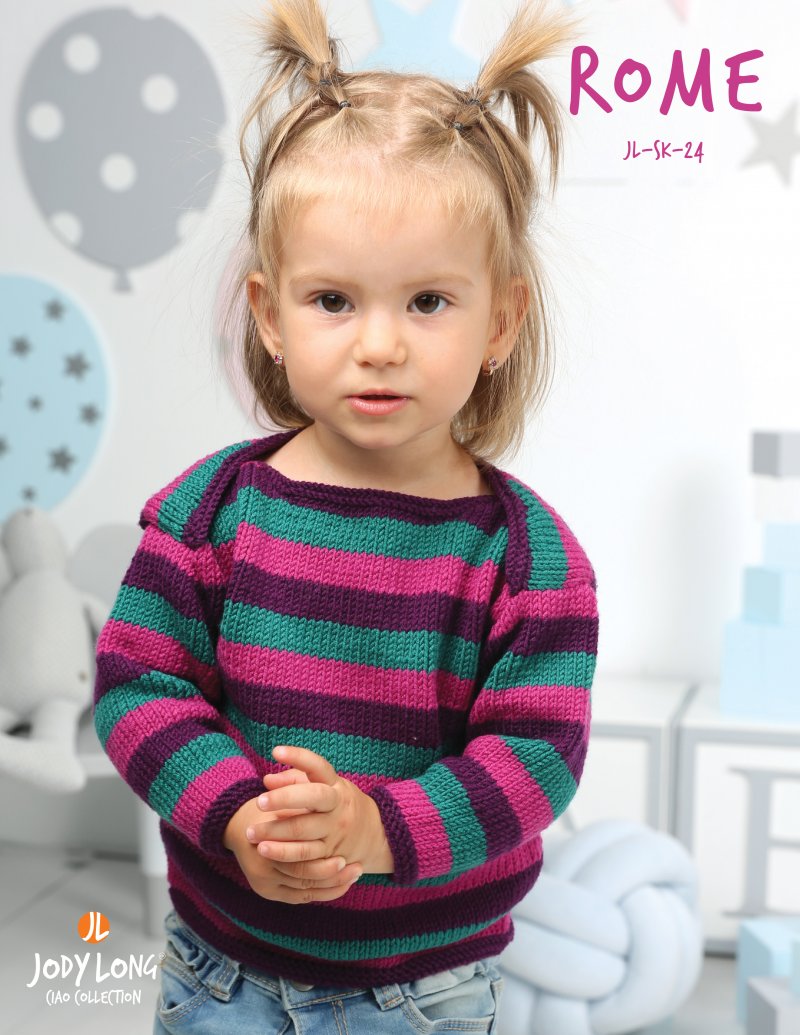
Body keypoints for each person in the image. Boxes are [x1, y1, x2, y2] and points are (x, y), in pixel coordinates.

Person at [93, 0, 599, 1031]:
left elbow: (534, 757)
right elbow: (138, 686)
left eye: (427, 302)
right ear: (269, 314)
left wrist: (377, 830)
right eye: (333, 301)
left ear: (500, 319)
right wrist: (238, 814)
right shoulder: (209, 516)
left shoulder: (528, 561)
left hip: (420, 992)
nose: (379, 344)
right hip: (219, 968)